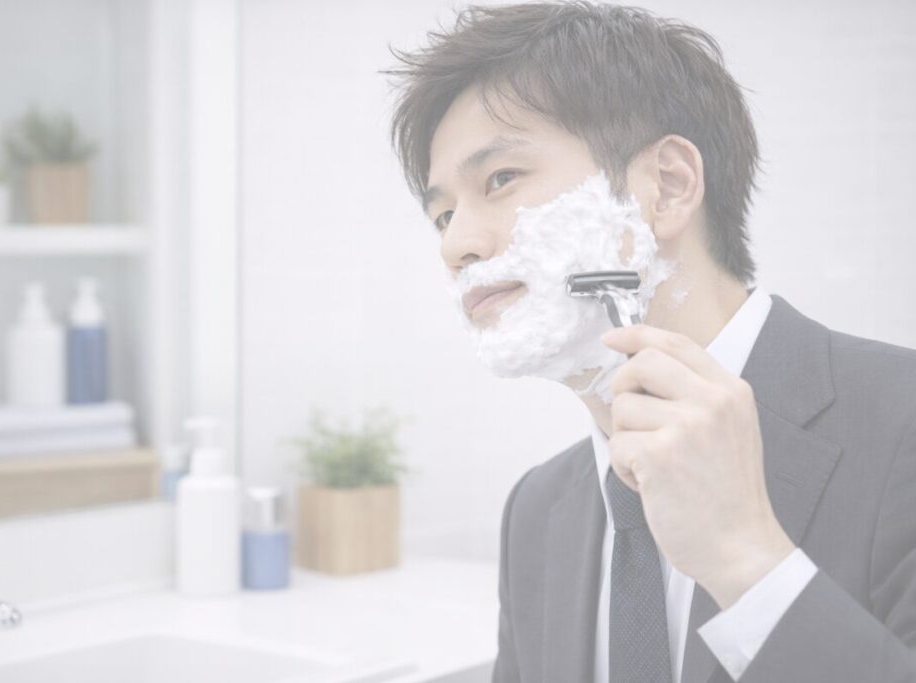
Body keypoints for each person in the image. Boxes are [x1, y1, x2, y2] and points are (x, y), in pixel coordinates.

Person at [383, 3, 916, 682]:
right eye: (443, 214)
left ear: (667, 187)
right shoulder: (536, 513)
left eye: (501, 179)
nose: (455, 244)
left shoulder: (903, 424)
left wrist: (747, 561)